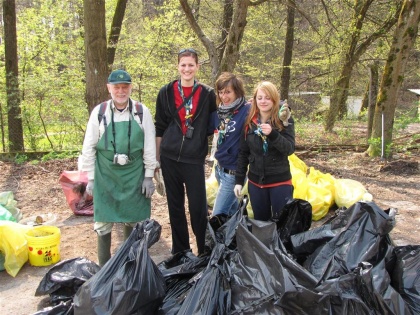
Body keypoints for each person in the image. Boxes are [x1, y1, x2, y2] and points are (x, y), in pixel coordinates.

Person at [80, 69, 157, 267]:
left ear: (131, 88)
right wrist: (90, 177)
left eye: (125, 87)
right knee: (103, 222)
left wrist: (149, 175)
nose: (121, 91)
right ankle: (104, 269)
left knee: (134, 219)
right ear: (109, 88)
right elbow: (89, 146)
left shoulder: (142, 112)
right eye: (117, 87)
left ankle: (129, 265)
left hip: (134, 174)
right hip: (106, 174)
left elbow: (149, 145)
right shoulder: (99, 112)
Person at [155, 48, 217, 255]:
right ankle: (180, 251)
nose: (187, 69)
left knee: (198, 208)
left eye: (191, 65)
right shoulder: (165, 92)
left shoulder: (208, 94)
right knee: (175, 207)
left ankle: (203, 250)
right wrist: (157, 160)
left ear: (197, 67)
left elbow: (215, 124)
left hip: (193, 160)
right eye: (183, 65)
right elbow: (160, 126)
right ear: (178, 66)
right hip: (169, 157)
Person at [234, 81, 295, 221]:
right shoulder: (249, 121)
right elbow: (243, 153)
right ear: (255, 99)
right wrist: (238, 181)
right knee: (261, 224)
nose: (263, 101)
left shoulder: (284, 119)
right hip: (256, 183)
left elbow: (289, 149)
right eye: (260, 97)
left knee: (282, 224)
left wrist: (273, 134)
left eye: (268, 98)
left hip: (280, 182)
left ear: (274, 99)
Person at [209, 72, 250, 217]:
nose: (224, 97)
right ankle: (236, 239)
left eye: (228, 92)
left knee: (217, 216)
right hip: (220, 169)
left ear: (237, 91)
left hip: (234, 173)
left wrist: (285, 109)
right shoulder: (219, 113)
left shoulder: (248, 110)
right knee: (231, 214)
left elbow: (272, 102)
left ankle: (215, 240)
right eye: (220, 92)